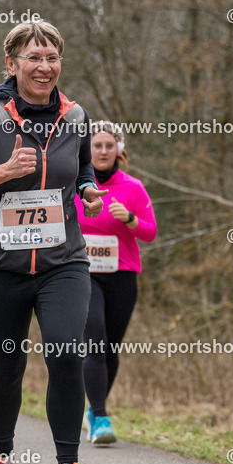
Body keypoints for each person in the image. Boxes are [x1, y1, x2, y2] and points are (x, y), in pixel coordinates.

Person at [0, 20, 107, 464]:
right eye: (33, 57)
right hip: (0, 265)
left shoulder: (76, 116)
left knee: (66, 351)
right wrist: (1, 172)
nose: (44, 67)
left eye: (52, 57)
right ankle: (2, 460)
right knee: (7, 366)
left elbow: (82, 166)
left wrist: (87, 190)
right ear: (11, 63)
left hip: (63, 261)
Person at [76, 121, 157, 444]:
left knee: (110, 348)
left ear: (118, 150)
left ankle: (93, 410)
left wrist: (131, 219)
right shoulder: (74, 185)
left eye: (109, 145)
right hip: (84, 274)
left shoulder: (133, 187)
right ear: (87, 149)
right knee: (95, 343)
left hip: (122, 275)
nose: (103, 151)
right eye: (97, 145)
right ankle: (100, 417)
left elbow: (150, 232)